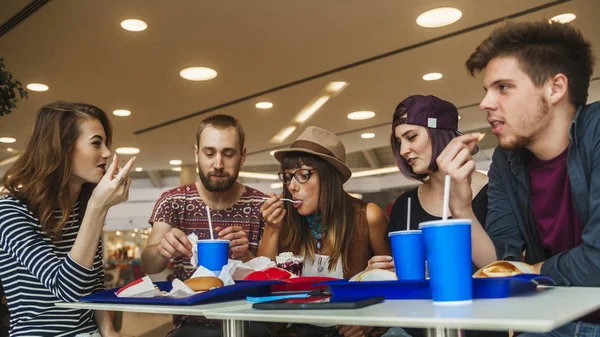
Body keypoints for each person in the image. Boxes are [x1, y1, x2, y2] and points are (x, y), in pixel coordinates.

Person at [438, 20, 599, 337]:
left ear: (555, 88)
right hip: (555, 321)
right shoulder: (507, 159)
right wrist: (461, 207)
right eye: (486, 90)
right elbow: (502, 262)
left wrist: (533, 271)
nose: (485, 103)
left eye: (503, 87)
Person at [0, 101, 135, 336]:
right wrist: (97, 207)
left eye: (106, 144)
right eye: (96, 143)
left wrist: (109, 331)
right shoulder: (11, 210)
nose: (106, 153)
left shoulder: (82, 208)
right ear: (62, 148)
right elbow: (66, 288)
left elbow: (93, 283)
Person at [370, 96, 498, 337]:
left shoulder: (494, 193)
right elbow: (402, 284)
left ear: (440, 132)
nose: (403, 150)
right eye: (399, 142)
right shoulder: (404, 205)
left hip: (480, 328)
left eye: (411, 137)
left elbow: (503, 268)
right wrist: (380, 273)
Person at [141, 114, 267, 337]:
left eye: (228, 154)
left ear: (243, 156)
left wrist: (247, 257)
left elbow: (276, 277)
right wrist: (163, 248)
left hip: (251, 324)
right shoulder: (173, 201)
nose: (218, 164)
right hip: (190, 325)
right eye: (209, 153)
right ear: (196, 153)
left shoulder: (261, 205)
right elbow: (150, 265)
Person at [259, 126, 391, 337]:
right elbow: (262, 285)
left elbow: (394, 287)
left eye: (303, 175)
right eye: (287, 177)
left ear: (331, 177)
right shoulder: (284, 220)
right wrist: (271, 229)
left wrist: (368, 322)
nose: (291, 186)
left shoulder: (367, 216)